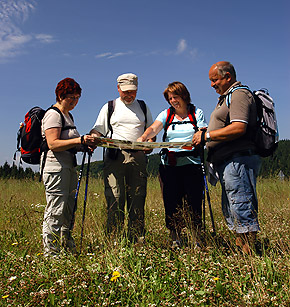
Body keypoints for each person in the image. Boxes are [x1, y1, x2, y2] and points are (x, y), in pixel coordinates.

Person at [192, 61, 261, 255]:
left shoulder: (239, 94)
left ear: (228, 77)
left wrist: (207, 136)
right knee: (233, 204)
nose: (212, 85)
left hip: (237, 159)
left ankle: (248, 254)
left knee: (240, 203)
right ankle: (241, 249)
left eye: (214, 80)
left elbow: (239, 127)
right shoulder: (227, 96)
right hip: (229, 160)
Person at [137, 81, 207, 247]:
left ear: (184, 96)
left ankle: (197, 238)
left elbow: (202, 131)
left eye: (176, 97)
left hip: (192, 164)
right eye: (170, 98)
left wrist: (200, 135)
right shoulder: (166, 114)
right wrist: (144, 137)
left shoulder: (196, 113)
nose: (173, 101)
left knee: (194, 202)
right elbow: (154, 128)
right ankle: (175, 238)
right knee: (171, 202)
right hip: (170, 166)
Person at [90, 73, 154, 242]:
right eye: (125, 91)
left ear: (137, 89)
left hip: (138, 158)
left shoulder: (143, 106)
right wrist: (92, 139)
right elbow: (98, 130)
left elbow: (151, 132)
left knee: (138, 198)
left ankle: (137, 240)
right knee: (115, 198)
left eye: (132, 91)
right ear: (118, 88)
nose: (129, 94)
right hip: (114, 157)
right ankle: (114, 240)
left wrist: (149, 144)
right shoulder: (110, 106)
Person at [41, 77, 95, 257]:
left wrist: (82, 146)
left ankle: (66, 244)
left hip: (69, 167)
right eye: (70, 97)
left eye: (77, 97)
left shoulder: (68, 116)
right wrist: (79, 140)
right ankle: (51, 252)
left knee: (69, 208)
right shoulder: (53, 114)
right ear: (60, 95)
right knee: (56, 209)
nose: (74, 101)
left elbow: (67, 143)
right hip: (55, 168)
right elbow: (53, 143)